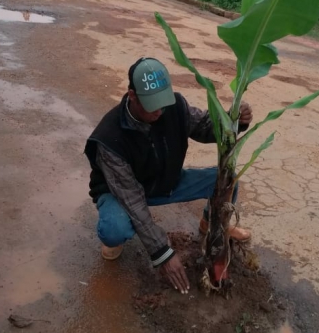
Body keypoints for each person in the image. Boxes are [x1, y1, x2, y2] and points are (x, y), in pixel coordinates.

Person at [84, 57, 253, 295]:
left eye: (163, 102)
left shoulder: (174, 107)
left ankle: (209, 222)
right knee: (114, 228)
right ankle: (116, 238)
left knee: (227, 180)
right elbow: (132, 199)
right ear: (132, 95)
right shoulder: (109, 138)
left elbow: (206, 125)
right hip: (122, 194)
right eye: (152, 104)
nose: (160, 111)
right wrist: (163, 254)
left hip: (166, 182)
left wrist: (234, 120)